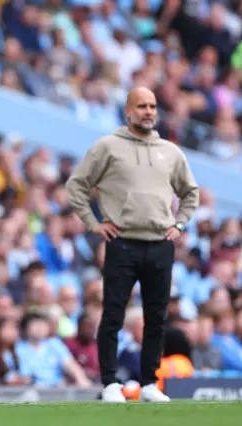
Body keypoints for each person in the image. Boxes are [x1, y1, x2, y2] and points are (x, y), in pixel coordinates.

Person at [65, 87, 199, 403]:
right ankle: (110, 382)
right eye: (142, 106)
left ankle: (150, 383)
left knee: (156, 317)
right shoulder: (108, 147)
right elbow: (77, 186)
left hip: (159, 243)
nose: (149, 111)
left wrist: (179, 224)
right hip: (122, 241)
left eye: (152, 106)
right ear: (128, 110)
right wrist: (94, 223)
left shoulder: (170, 151)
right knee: (113, 314)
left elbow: (190, 192)